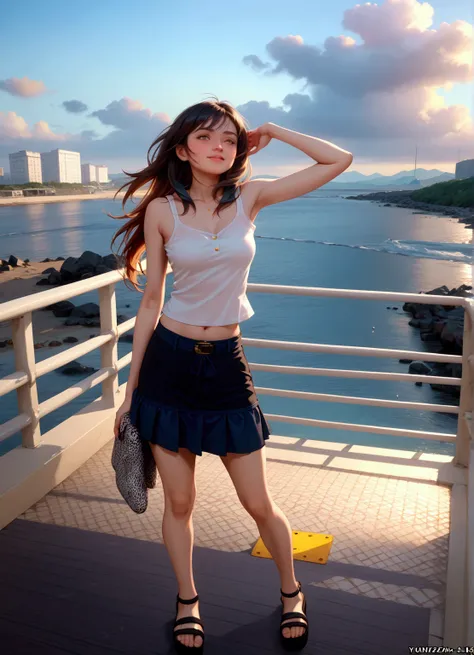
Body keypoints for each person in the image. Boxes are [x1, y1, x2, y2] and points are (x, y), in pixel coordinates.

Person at [109, 97, 352, 653]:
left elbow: (338, 160)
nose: (218, 148)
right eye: (204, 138)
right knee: (179, 504)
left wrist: (272, 130)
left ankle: (292, 591)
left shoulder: (251, 197)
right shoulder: (163, 211)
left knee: (258, 502)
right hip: (168, 363)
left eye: (228, 139)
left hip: (225, 367)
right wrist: (132, 388)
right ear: (181, 149)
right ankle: (187, 600)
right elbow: (151, 301)